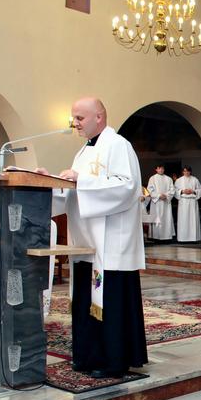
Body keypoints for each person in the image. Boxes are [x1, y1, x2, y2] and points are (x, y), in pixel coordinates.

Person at [42, 97, 147, 379]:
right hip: (85, 242)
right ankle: (87, 356)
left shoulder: (118, 145)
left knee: (109, 302)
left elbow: (128, 187)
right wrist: (48, 183)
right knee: (84, 301)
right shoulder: (83, 152)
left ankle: (113, 361)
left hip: (110, 243)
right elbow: (73, 192)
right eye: (74, 118)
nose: (74, 123)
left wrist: (82, 180)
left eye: (80, 118)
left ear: (99, 117)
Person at [147, 164, 175, 241]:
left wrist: (166, 196)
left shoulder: (169, 179)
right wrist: (159, 195)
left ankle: (166, 237)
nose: (161, 170)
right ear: (156, 169)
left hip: (166, 202)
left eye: (162, 168)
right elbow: (150, 189)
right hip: (157, 202)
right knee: (157, 218)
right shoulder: (152, 178)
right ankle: (156, 237)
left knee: (166, 219)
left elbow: (172, 189)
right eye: (159, 168)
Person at [174, 166, 201, 242]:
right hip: (183, 201)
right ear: (183, 172)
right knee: (183, 220)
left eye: (188, 171)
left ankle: (194, 238)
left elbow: (200, 190)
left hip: (192, 201)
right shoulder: (179, 180)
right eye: (185, 171)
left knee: (193, 219)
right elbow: (175, 190)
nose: (186, 172)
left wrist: (193, 191)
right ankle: (182, 238)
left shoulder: (195, 179)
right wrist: (182, 191)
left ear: (190, 171)